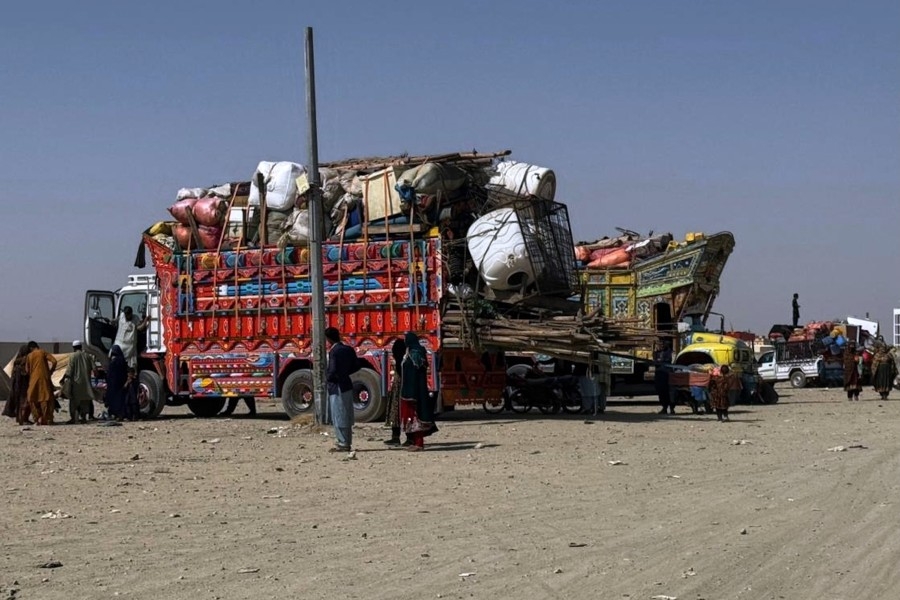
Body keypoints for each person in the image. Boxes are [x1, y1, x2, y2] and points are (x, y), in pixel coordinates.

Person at [399, 332, 437, 451]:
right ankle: (415, 441)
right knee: (414, 417)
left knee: (416, 417)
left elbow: (413, 375)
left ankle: (419, 443)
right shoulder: (416, 352)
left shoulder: (414, 354)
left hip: (414, 391)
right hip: (417, 390)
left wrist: (411, 393)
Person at [325, 327, 358, 452]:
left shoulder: (334, 352)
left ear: (329, 339)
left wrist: (328, 377)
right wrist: (345, 373)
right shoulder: (348, 349)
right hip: (346, 384)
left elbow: (332, 369)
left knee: (338, 414)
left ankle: (342, 442)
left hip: (337, 385)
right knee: (346, 413)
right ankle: (347, 441)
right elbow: (356, 366)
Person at [25, 341, 58, 426]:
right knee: (46, 398)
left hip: (33, 380)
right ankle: (48, 419)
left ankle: (37, 419)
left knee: (32, 398)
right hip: (44, 378)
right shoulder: (43, 352)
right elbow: (54, 361)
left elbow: (27, 370)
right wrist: (50, 371)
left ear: (30, 348)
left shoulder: (29, 356)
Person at [63, 340, 95, 424]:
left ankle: (74, 418)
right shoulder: (88, 356)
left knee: (74, 401)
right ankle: (83, 418)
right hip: (86, 383)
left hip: (76, 383)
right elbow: (95, 369)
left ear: (73, 348)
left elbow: (69, 370)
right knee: (85, 401)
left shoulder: (72, 356)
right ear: (81, 347)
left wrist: (64, 379)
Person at [383, 337, 407, 446]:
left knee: (396, 414)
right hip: (403, 391)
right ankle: (405, 437)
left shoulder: (401, 362)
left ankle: (396, 437)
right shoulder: (404, 361)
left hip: (399, 392)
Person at [2, 345, 32, 425]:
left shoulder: (17, 361)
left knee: (19, 401)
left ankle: (20, 419)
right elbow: (25, 372)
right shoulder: (25, 360)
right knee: (23, 402)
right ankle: (22, 419)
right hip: (23, 383)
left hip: (16, 384)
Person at [105, 345, 129, 420]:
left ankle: (115, 414)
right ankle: (121, 414)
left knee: (113, 400)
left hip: (113, 385)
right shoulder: (123, 361)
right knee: (121, 399)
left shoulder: (113, 362)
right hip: (121, 384)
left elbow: (110, 374)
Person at [654, 341, 674, 415]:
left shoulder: (670, 352)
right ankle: (664, 407)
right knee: (661, 392)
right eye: (660, 344)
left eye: (663, 344)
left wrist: (661, 361)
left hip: (668, 374)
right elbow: (655, 362)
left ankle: (672, 408)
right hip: (660, 374)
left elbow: (671, 361)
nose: (661, 346)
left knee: (670, 392)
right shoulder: (657, 353)